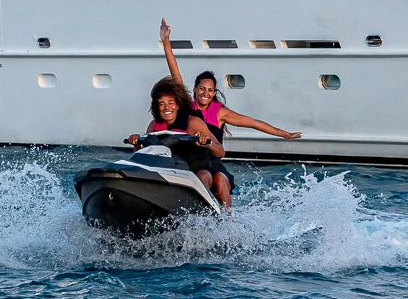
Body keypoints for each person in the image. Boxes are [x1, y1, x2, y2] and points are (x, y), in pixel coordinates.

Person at [159, 19, 302, 208]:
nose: (205, 93)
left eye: (210, 90)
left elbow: (253, 122)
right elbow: (175, 73)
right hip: (191, 161)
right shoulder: (187, 108)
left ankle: (226, 224)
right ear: (194, 90)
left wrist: (284, 134)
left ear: (214, 93)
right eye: (202, 89)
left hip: (213, 161)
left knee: (219, 179)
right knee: (202, 176)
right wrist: (166, 41)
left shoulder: (220, 113)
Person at [126, 77, 227, 206]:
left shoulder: (193, 123)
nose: (166, 107)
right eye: (161, 103)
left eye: (170, 103)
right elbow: (146, 155)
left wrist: (207, 143)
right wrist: (136, 144)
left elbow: (220, 152)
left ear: (178, 105)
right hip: (171, 170)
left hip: (197, 169)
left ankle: (205, 213)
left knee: (203, 176)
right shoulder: (154, 126)